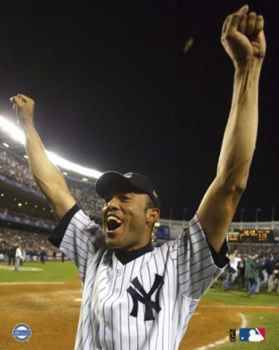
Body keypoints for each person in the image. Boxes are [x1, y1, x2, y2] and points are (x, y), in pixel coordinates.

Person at [10, 5, 266, 349]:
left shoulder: (180, 264)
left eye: (125, 197)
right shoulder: (94, 251)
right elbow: (54, 187)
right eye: (110, 198)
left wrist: (247, 70)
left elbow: (230, 184)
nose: (111, 204)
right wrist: (27, 126)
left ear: (152, 216)